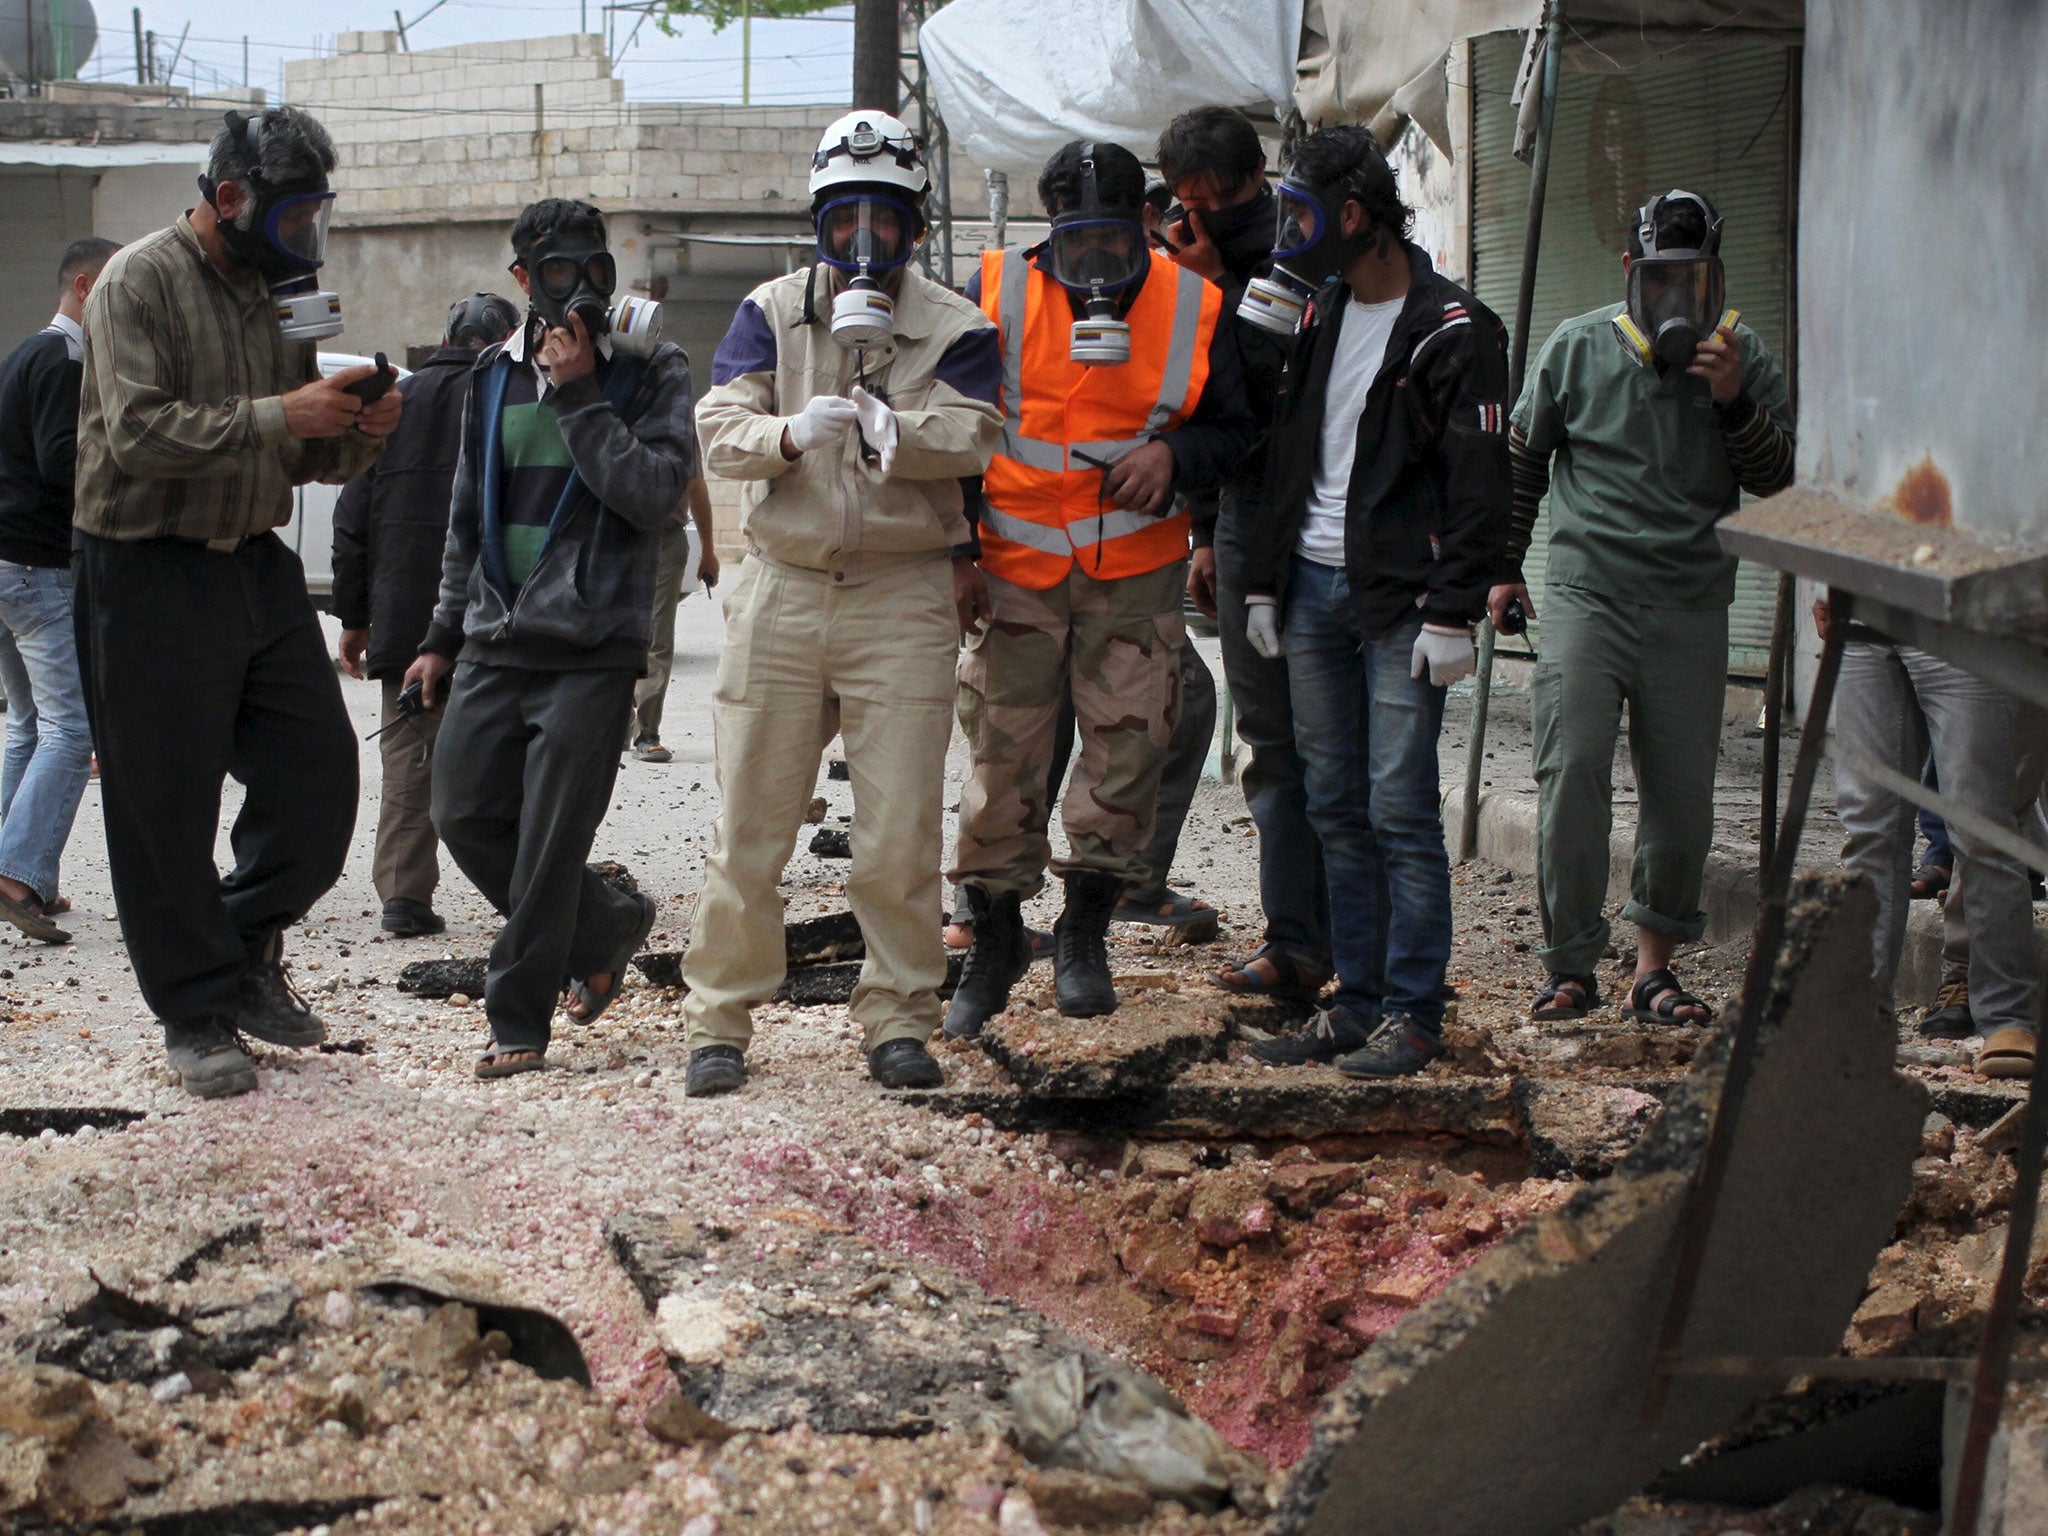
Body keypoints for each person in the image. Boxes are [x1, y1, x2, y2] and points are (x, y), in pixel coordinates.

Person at [72, 107, 399, 1099]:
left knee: (318, 779)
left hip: (249, 561)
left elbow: (302, 449)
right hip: (143, 567)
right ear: (229, 200)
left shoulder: (288, 291)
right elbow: (136, 434)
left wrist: (362, 426)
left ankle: (242, 944)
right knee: (163, 806)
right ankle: (198, 1013)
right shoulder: (139, 281)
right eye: (295, 218)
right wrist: (282, 415)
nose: (306, 241)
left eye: (315, 220)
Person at [683, 110, 1003, 1097]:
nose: (863, 242)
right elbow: (716, 427)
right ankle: (720, 1021)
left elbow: (979, 434)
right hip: (782, 587)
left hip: (900, 593)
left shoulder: (955, 325)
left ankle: (898, 1015)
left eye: (886, 220)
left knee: (897, 831)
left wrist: (892, 430)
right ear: (815, 225)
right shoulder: (770, 313)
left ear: (915, 226)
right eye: (842, 220)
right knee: (750, 823)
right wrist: (788, 432)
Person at [943, 138, 1250, 1040]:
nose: (1098, 267)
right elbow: (954, 431)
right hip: (1014, 572)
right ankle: (995, 940)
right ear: (1052, 235)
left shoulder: (1195, 306)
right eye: (1078, 247)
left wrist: (1175, 456)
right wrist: (959, 551)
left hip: (1134, 575)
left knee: (1127, 761)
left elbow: (1239, 428)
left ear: (1144, 228)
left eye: (1115, 245)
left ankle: (1084, 937)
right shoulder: (990, 291)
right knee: (1003, 762)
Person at [1238, 125, 1510, 1078]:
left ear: (1356, 216)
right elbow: (1288, 454)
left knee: (1399, 810)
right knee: (1334, 806)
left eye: (1304, 215)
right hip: (1312, 590)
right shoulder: (1315, 315)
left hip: (1400, 602)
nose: (1290, 234)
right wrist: (1267, 580)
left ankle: (1415, 1011)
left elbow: (1481, 481)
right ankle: (1355, 1005)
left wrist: (1453, 608)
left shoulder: (1455, 331)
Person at [404, 199, 696, 1079]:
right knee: (459, 811)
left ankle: (517, 1022)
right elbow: (466, 517)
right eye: (560, 273)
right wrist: (441, 635)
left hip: (593, 648)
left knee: (545, 848)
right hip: (496, 641)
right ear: (525, 282)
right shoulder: (492, 375)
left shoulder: (651, 371)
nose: (581, 290)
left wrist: (580, 396)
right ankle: (606, 926)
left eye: (594, 270)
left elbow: (654, 495)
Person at [1492, 189, 1793, 1030]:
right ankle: (1571, 967)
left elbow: (1779, 481)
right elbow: (1523, 456)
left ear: (1714, 277)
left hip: (1691, 605)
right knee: (1572, 771)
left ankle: (1654, 973)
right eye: (1659, 278)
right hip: (1588, 596)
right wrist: (1503, 568)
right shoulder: (1578, 346)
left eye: (1691, 280)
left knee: (1682, 796)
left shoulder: (1740, 354)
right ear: (1632, 272)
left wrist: (1734, 400)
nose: (1674, 297)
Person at [1158, 103, 1331, 997]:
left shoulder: (1299, 239)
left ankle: (1351, 941)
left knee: (1334, 743)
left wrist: (1216, 282)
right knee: (1266, 738)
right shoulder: (1192, 252)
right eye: (1187, 200)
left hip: (1320, 515)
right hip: (1239, 512)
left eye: (1217, 198)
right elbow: (1199, 403)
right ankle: (1292, 939)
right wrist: (1200, 529)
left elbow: (1272, 376)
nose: (1202, 214)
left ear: (1254, 178)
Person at [334, 290, 520, 939]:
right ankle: (523, 893)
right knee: (503, 761)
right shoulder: (509, 397)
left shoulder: (396, 406)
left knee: (410, 762)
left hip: (405, 615)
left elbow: (352, 520)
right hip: (500, 615)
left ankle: (405, 896)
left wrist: (354, 618)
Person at [1821, 594, 2045, 1079]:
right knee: (1867, 822)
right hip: (1867, 599)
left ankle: (2007, 1017)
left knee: (1982, 825)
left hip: (1966, 609)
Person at [0, 236, 118, 944]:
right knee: (72, 731)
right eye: (112, 291)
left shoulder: (22, 354)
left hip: (8, 566)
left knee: (29, 724)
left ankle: (20, 864)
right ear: (81, 286)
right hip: (36, 569)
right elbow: (61, 461)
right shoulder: (62, 358)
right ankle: (18, 875)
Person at [627, 468, 718, 762]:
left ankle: (647, 732)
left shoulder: (676, 423)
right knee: (610, 634)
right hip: (612, 536)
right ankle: (615, 724)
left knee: (657, 637)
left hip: (665, 538)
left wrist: (708, 550)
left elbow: (695, 485)